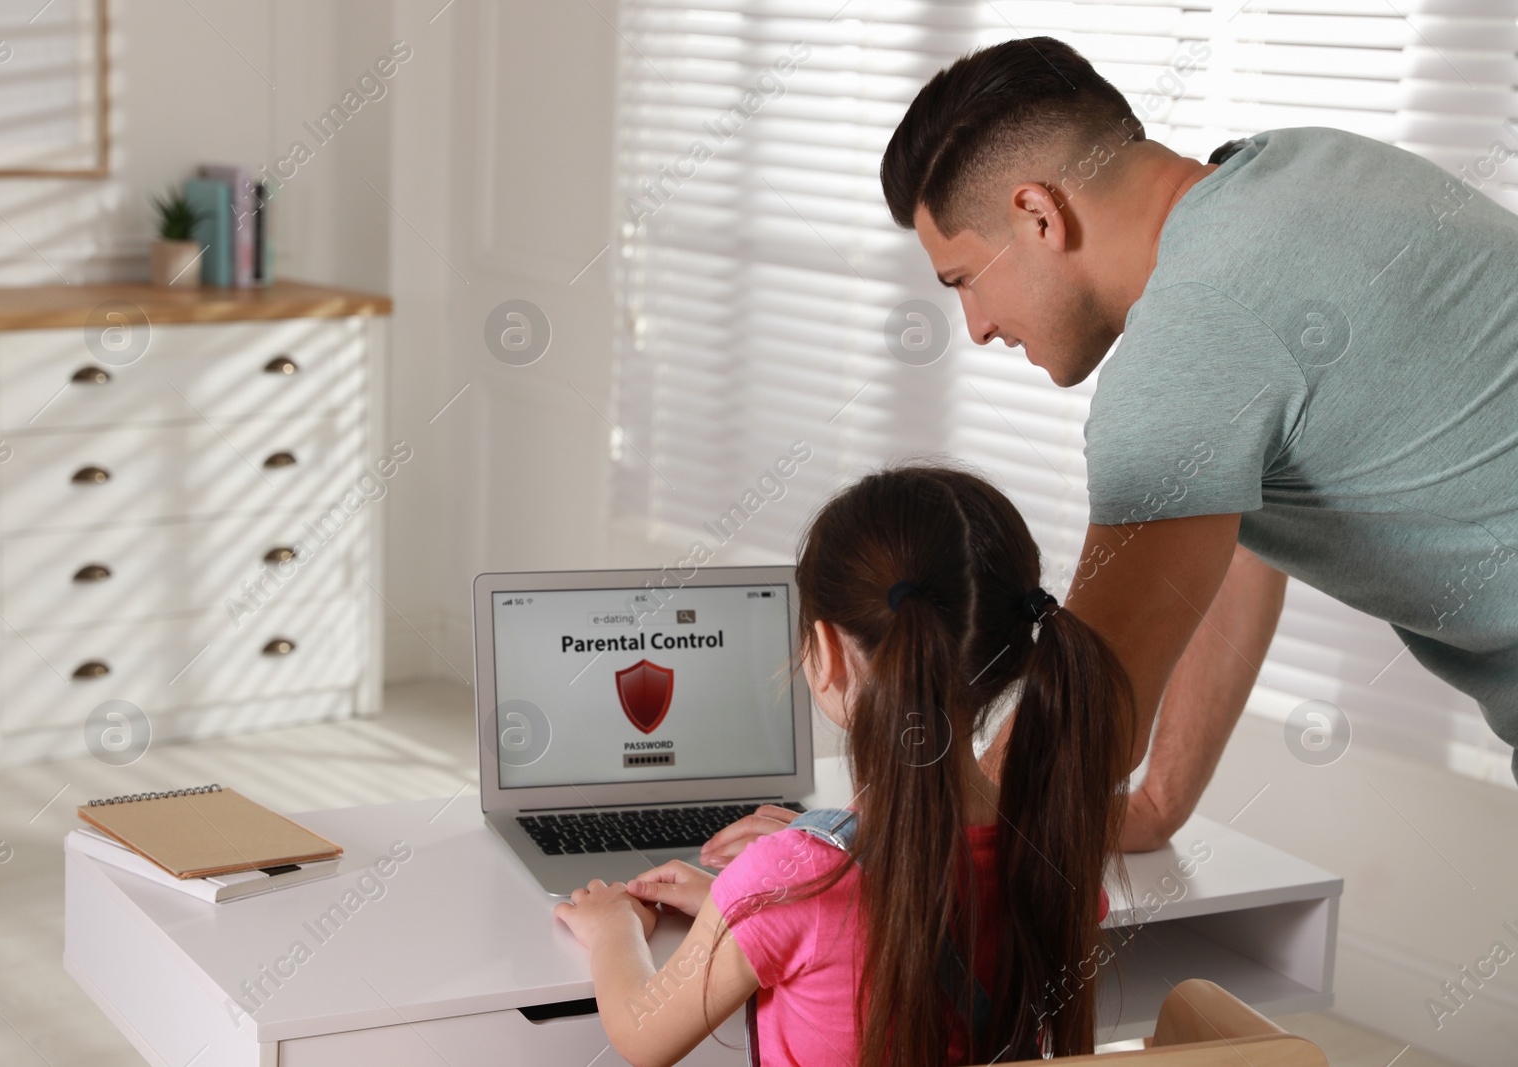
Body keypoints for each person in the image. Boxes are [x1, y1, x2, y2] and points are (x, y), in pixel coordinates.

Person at [877, 37, 1518, 849]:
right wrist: (1155, 804)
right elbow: (1230, 533)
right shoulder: (1301, 167)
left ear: (1039, 214)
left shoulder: (1191, 336)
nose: (977, 328)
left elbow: (1084, 720)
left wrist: (834, 852)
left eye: (964, 278)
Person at [553, 463, 1133, 1066]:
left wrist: (614, 926)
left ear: (825, 652)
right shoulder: (1053, 860)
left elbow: (643, 1034)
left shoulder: (786, 880)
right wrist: (752, 899)